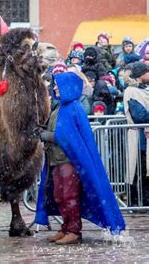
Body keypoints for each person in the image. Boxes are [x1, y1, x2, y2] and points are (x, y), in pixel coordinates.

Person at [35, 72, 125, 244]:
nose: (54, 87)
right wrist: (43, 131)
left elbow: (68, 136)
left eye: (57, 85)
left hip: (69, 161)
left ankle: (74, 230)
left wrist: (47, 135)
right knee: (59, 195)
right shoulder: (59, 107)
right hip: (56, 159)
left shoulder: (74, 108)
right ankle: (65, 228)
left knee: (70, 195)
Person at [123, 62, 149, 205]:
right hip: (138, 137)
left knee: (146, 171)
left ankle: (145, 201)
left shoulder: (145, 90)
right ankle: (134, 201)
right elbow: (140, 115)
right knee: (135, 170)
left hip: (146, 136)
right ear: (140, 75)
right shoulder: (131, 91)